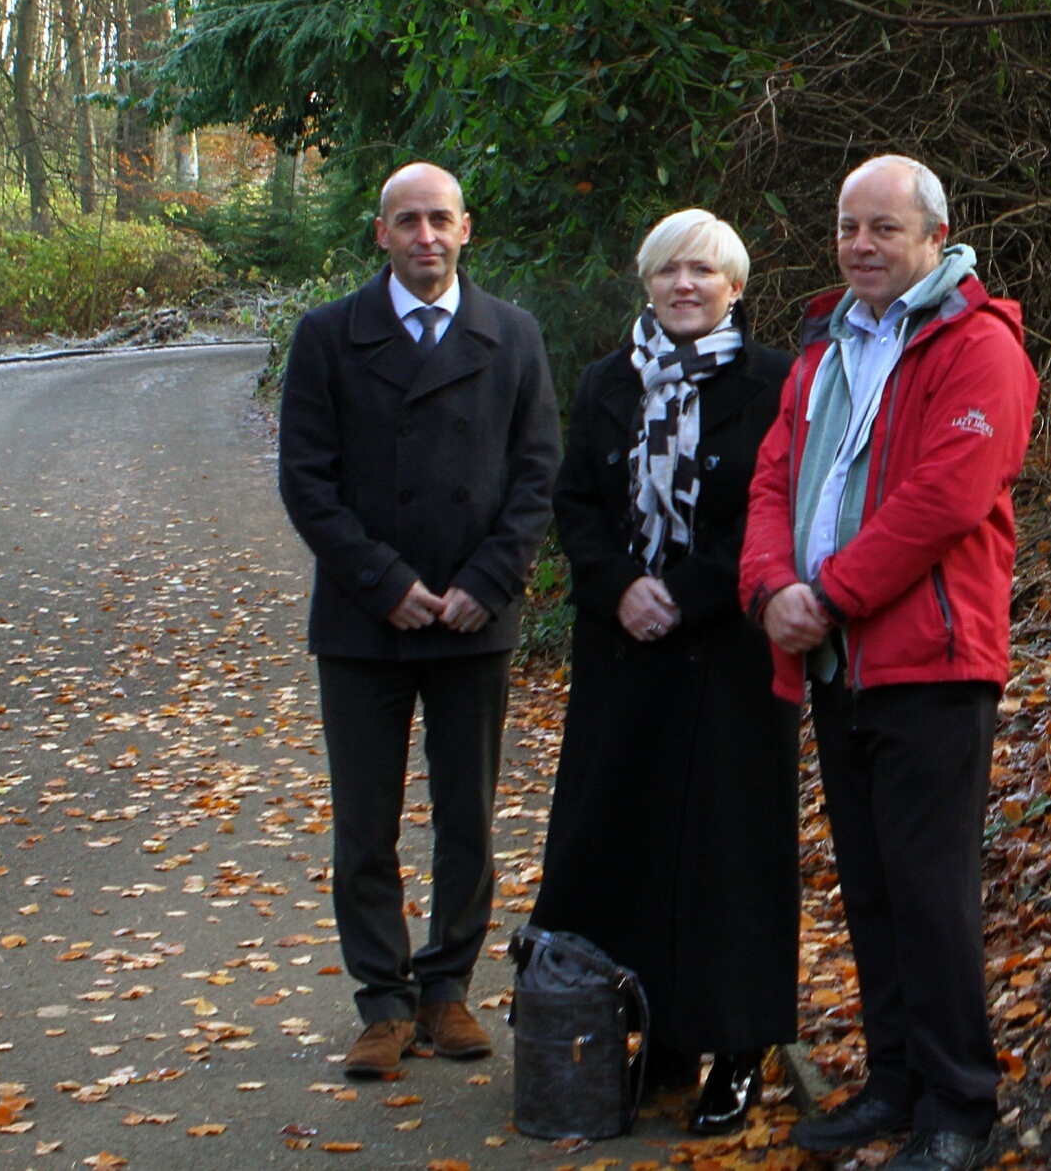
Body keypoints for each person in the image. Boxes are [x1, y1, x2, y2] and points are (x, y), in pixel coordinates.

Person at [739, 156, 1038, 1171]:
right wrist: (769, 586)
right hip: (834, 665)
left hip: (932, 662)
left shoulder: (976, 346)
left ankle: (959, 1107)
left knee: (928, 890)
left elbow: (944, 500)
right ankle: (896, 1083)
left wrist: (826, 595)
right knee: (868, 888)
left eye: (882, 229)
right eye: (845, 228)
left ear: (932, 238)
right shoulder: (823, 351)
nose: (860, 246)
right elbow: (774, 477)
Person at [276, 162, 560, 1079]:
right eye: (408, 220)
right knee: (366, 822)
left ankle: (447, 991)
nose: (425, 235)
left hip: (476, 617)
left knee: (469, 816)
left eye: (440, 218)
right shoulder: (326, 335)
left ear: (467, 229)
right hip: (365, 621)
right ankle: (383, 1004)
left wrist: (490, 577)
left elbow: (537, 473)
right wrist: (385, 580)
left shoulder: (512, 334)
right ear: (381, 232)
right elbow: (307, 484)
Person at [529, 210, 800, 1134]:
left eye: (703, 270)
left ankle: (738, 1046)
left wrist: (682, 592)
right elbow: (576, 501)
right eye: (668, 269)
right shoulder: (610, 381)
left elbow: (777, 508)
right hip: (623, 653)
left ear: (735, 286)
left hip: (729, 653)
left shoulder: (774, 382)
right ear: (645, 282)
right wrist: (618, 589)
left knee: (730, 851)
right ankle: (657, 1034)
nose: (685, 284)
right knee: (626, 846)